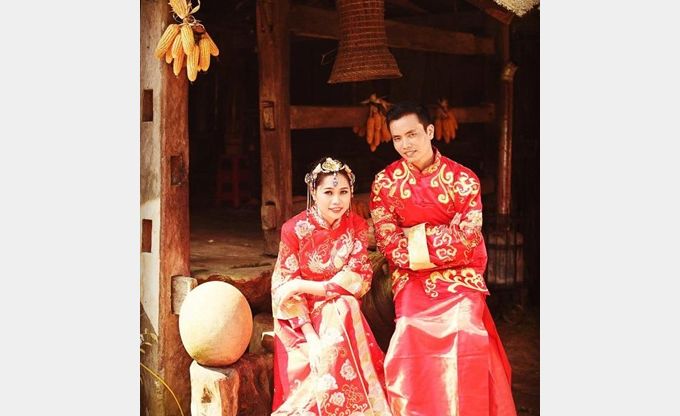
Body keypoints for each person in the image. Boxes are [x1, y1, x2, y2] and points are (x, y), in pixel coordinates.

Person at [369, 102, 517, 416]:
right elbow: (389, 243)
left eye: (412, 134)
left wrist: (414, 236)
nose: (405, 144)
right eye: (397, 138)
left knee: (466, 332)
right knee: (410, 329)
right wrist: (442, 233)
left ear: (430, 131)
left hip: (462, 275)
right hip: (411, 278)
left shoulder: (464, 179)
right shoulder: (384, 183)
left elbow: (467, 240)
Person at [271, 157, 392, 416]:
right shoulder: (293, 230)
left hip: (339, 310)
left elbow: (358, 277)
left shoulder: (357, 226)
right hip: (300, 318)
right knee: (340, 310)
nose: (337, 201)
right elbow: (285, 289)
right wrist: (312, 339)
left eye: (343, 192)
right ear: (313, 192)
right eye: (328, 192)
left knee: (344, 305)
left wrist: (305, 284)